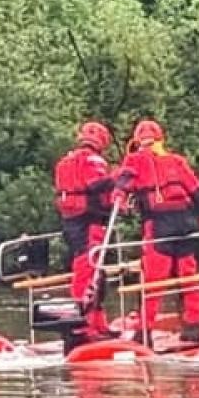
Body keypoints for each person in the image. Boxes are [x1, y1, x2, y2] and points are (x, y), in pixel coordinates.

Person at [117, 119, 199, 344]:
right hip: (184, 223)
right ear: (161, 138)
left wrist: (120, 198)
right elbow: (197, 193)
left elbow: (123, 183)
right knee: (189, 276)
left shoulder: (134, 160)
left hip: (159, 226)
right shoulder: (176, 161)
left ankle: (144, 332)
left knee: (155, 279)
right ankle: (192, 327)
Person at [54, 121, 119, 338]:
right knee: (90, 270)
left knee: (94, 271)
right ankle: (83, 324)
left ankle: (97, 322)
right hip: (89, 220)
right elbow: (95, 185)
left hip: (70, 221)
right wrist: (117, 177)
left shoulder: (66, 161)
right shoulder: (94, 160)